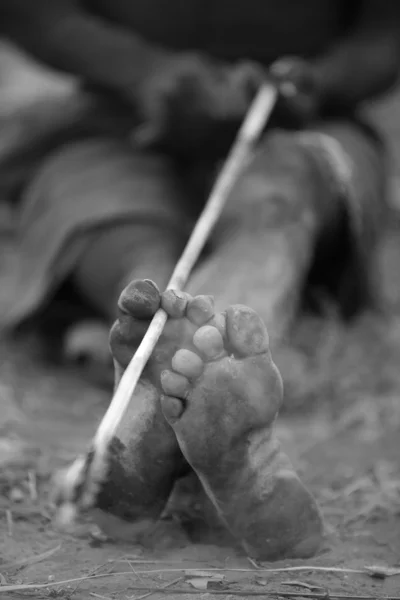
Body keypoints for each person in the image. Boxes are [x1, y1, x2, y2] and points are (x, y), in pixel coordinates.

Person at [1, 0, 400, 559]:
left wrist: (328, 79)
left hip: (303, 124)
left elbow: (386, 27)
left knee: (280, 191)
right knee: (106, 205)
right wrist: (140, 70)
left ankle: (157, 409)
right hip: (118, 116)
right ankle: (211, 380)